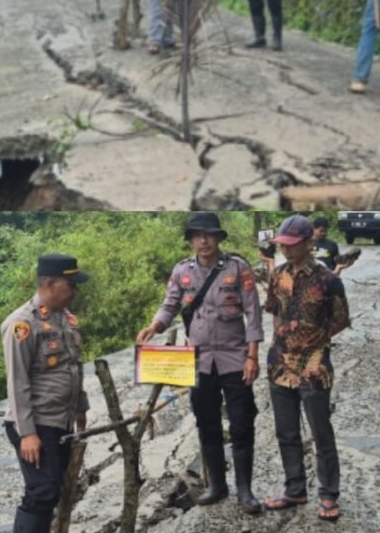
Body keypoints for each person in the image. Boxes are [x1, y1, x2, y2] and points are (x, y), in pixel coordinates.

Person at [136, 213, 264, 513]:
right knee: (206, 424)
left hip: (235, 359)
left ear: (219, 238)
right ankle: (217, 486)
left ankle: (245, 491)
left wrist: (253, 356)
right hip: (199, 361)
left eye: (209, 235)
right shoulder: (182, 271)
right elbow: (169, 304)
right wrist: (154, 326)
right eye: (197, 235)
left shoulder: (238, 267)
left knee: (242, 423)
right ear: (191, 240)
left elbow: (253, 314)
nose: (203, 240)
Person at [261, 214, 351, 523]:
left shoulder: (328, 280)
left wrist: (314, 342)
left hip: (314, 368)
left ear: (309, 243)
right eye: (282, 245)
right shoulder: (278, 276)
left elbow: (340, 319)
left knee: (321, 432)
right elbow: (274, 311)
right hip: (279, 366)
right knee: (286, 432)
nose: (286, 250)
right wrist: (284, 342)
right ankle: (294, 489)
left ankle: (328, 494)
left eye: (292, 244)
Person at [1, 253, 90, 533]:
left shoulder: (66, 319)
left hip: (59, 419)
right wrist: (27, 433)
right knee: (42, 492)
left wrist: (80, 408)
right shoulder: (22, 324)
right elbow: (17, 381)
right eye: (70, 285)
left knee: (55, 490)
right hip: (34, 423)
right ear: (50, 284)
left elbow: (74, 366)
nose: (75, 291)